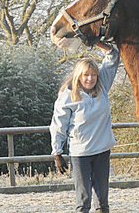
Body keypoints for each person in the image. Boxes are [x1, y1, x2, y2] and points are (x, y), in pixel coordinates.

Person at [50, 42, 120, 213]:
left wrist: (95, 40)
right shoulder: (68, 96)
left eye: (93, 75)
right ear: (78, 76)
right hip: (80, 153)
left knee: (102, 201)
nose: (90, 78)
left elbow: (113, 56)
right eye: (86, 75)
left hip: (102, 150)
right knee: (84, 200)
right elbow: (59, 124)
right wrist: (57, 152)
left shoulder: (102, 86)